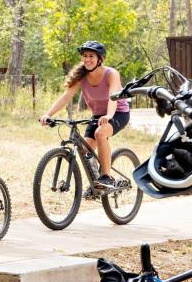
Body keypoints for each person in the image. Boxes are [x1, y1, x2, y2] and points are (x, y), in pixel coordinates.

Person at [40, 40, 130, 191]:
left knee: (100, 133)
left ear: (100, 59)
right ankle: (97, 185)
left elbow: (113, 97)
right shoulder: (82, 77)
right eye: (84, 56)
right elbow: (66, 97)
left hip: (117, 112)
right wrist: (48, 114)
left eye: (91, 56)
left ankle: (106, 176)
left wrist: (108, 116)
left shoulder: (111, 74)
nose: (87, 59)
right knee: (83, 149)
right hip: (98, 116)